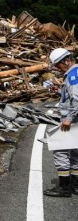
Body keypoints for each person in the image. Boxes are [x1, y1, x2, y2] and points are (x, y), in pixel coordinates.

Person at [43, 48, 78, 197]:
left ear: (67, 60)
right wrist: (58, 90)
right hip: (75, 120)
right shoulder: (72, 74)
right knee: (75, 153)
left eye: (59, 65)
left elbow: (77, 99)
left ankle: (64, 188)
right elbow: (69, 96)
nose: (58, 68)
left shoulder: (73, 76)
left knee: (61, 151)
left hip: (72, 121)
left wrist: (69, 119)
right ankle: (75, 186)